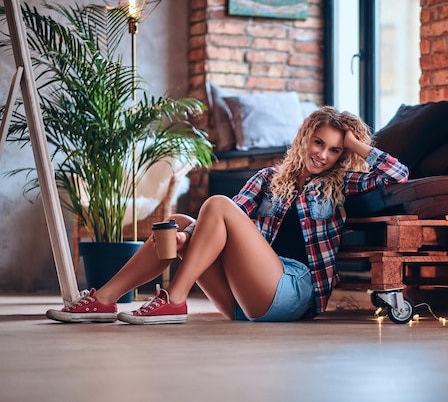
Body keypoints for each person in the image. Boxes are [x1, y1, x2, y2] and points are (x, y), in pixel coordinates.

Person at [46, 106, 409, 324]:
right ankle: (104, 300)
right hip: (245, 297)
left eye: (334, 149)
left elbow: (398, 174)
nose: (323, 155)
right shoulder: (268, 178)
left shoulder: (343, 182)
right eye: (319, 143)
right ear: (305, 138)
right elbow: (222, 226)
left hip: (295, 291)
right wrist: (187, 239)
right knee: (181, 222)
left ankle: (173, 300)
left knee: (217, 203)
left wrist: (355, 145)